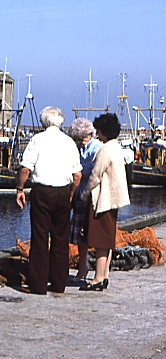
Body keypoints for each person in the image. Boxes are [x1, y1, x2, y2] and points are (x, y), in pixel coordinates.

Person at [16, 106, 82, 295]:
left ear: (44, 122)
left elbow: (25, 169)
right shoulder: (69, 142)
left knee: (39, 238)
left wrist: (20, 189)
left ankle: (38, 285)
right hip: (62, 192)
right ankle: (59, 284)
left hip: (42, 192)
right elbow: (77, 175)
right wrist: (70, 193)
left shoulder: (37, 140)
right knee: (61, 239)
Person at [79, 113, 130, 291]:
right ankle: (104, 275)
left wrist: (84, 194)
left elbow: (95, 176)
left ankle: (98, 279)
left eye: (98, 130)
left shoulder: (105, 150)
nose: (97, 134)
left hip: (103, 200)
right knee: (107, 240)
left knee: (100, 241)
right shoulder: (116, 147)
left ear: (103, 131)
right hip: (113, 199)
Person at [67, 118, 102, 281]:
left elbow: (92, 170)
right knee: (80, 234)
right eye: (77, 139)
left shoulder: (97, 148)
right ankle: (82, 268)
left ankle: (100, 272)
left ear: (90, 134)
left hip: (92, 196)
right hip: (79, 195)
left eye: (82, 139)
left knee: (94, 234)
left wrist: (76, 169)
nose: (80, 142)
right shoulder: (76, 148)